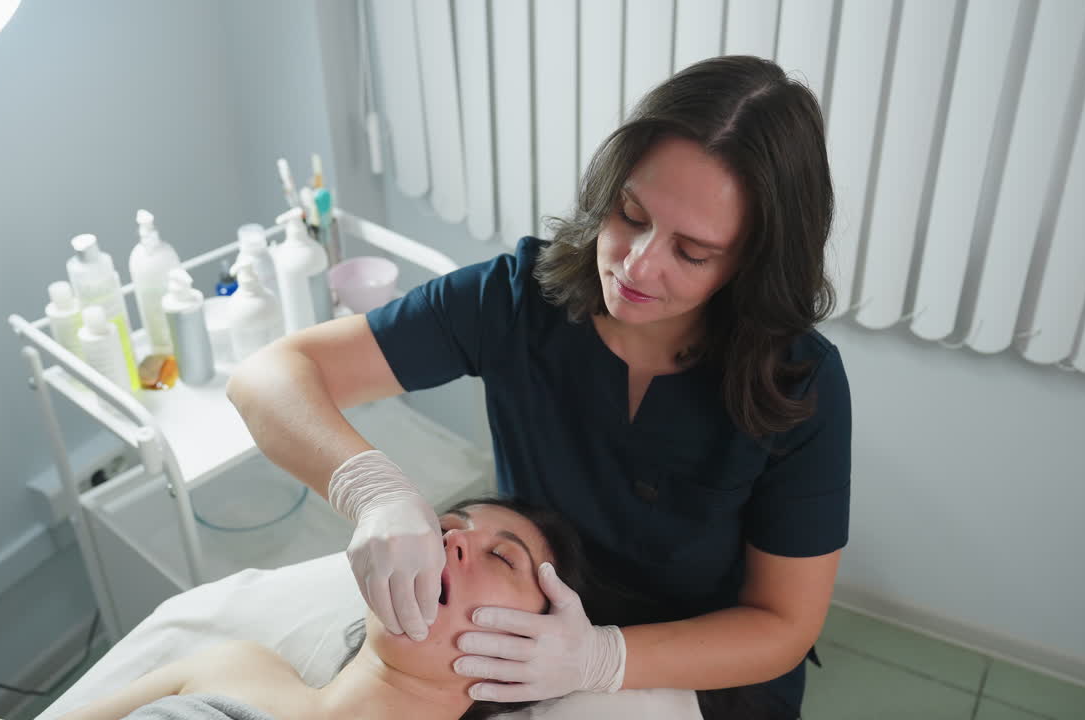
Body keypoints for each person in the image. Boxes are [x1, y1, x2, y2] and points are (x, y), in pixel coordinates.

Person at [227, 54, 850, 717]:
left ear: (751, 263)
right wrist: (373, 490)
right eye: (630, 214)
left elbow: (784, 625)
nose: (637, 266)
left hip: (697, 670)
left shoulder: (795, 384)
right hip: (502, 631)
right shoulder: (519, 300)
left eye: (691, 252)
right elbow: (267, 379)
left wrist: (600, 658)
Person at [55, 498, 592, 720]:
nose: (452, 540)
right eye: (446, 526)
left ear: (533, 652)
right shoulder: (236, 666)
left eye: (502, 557)